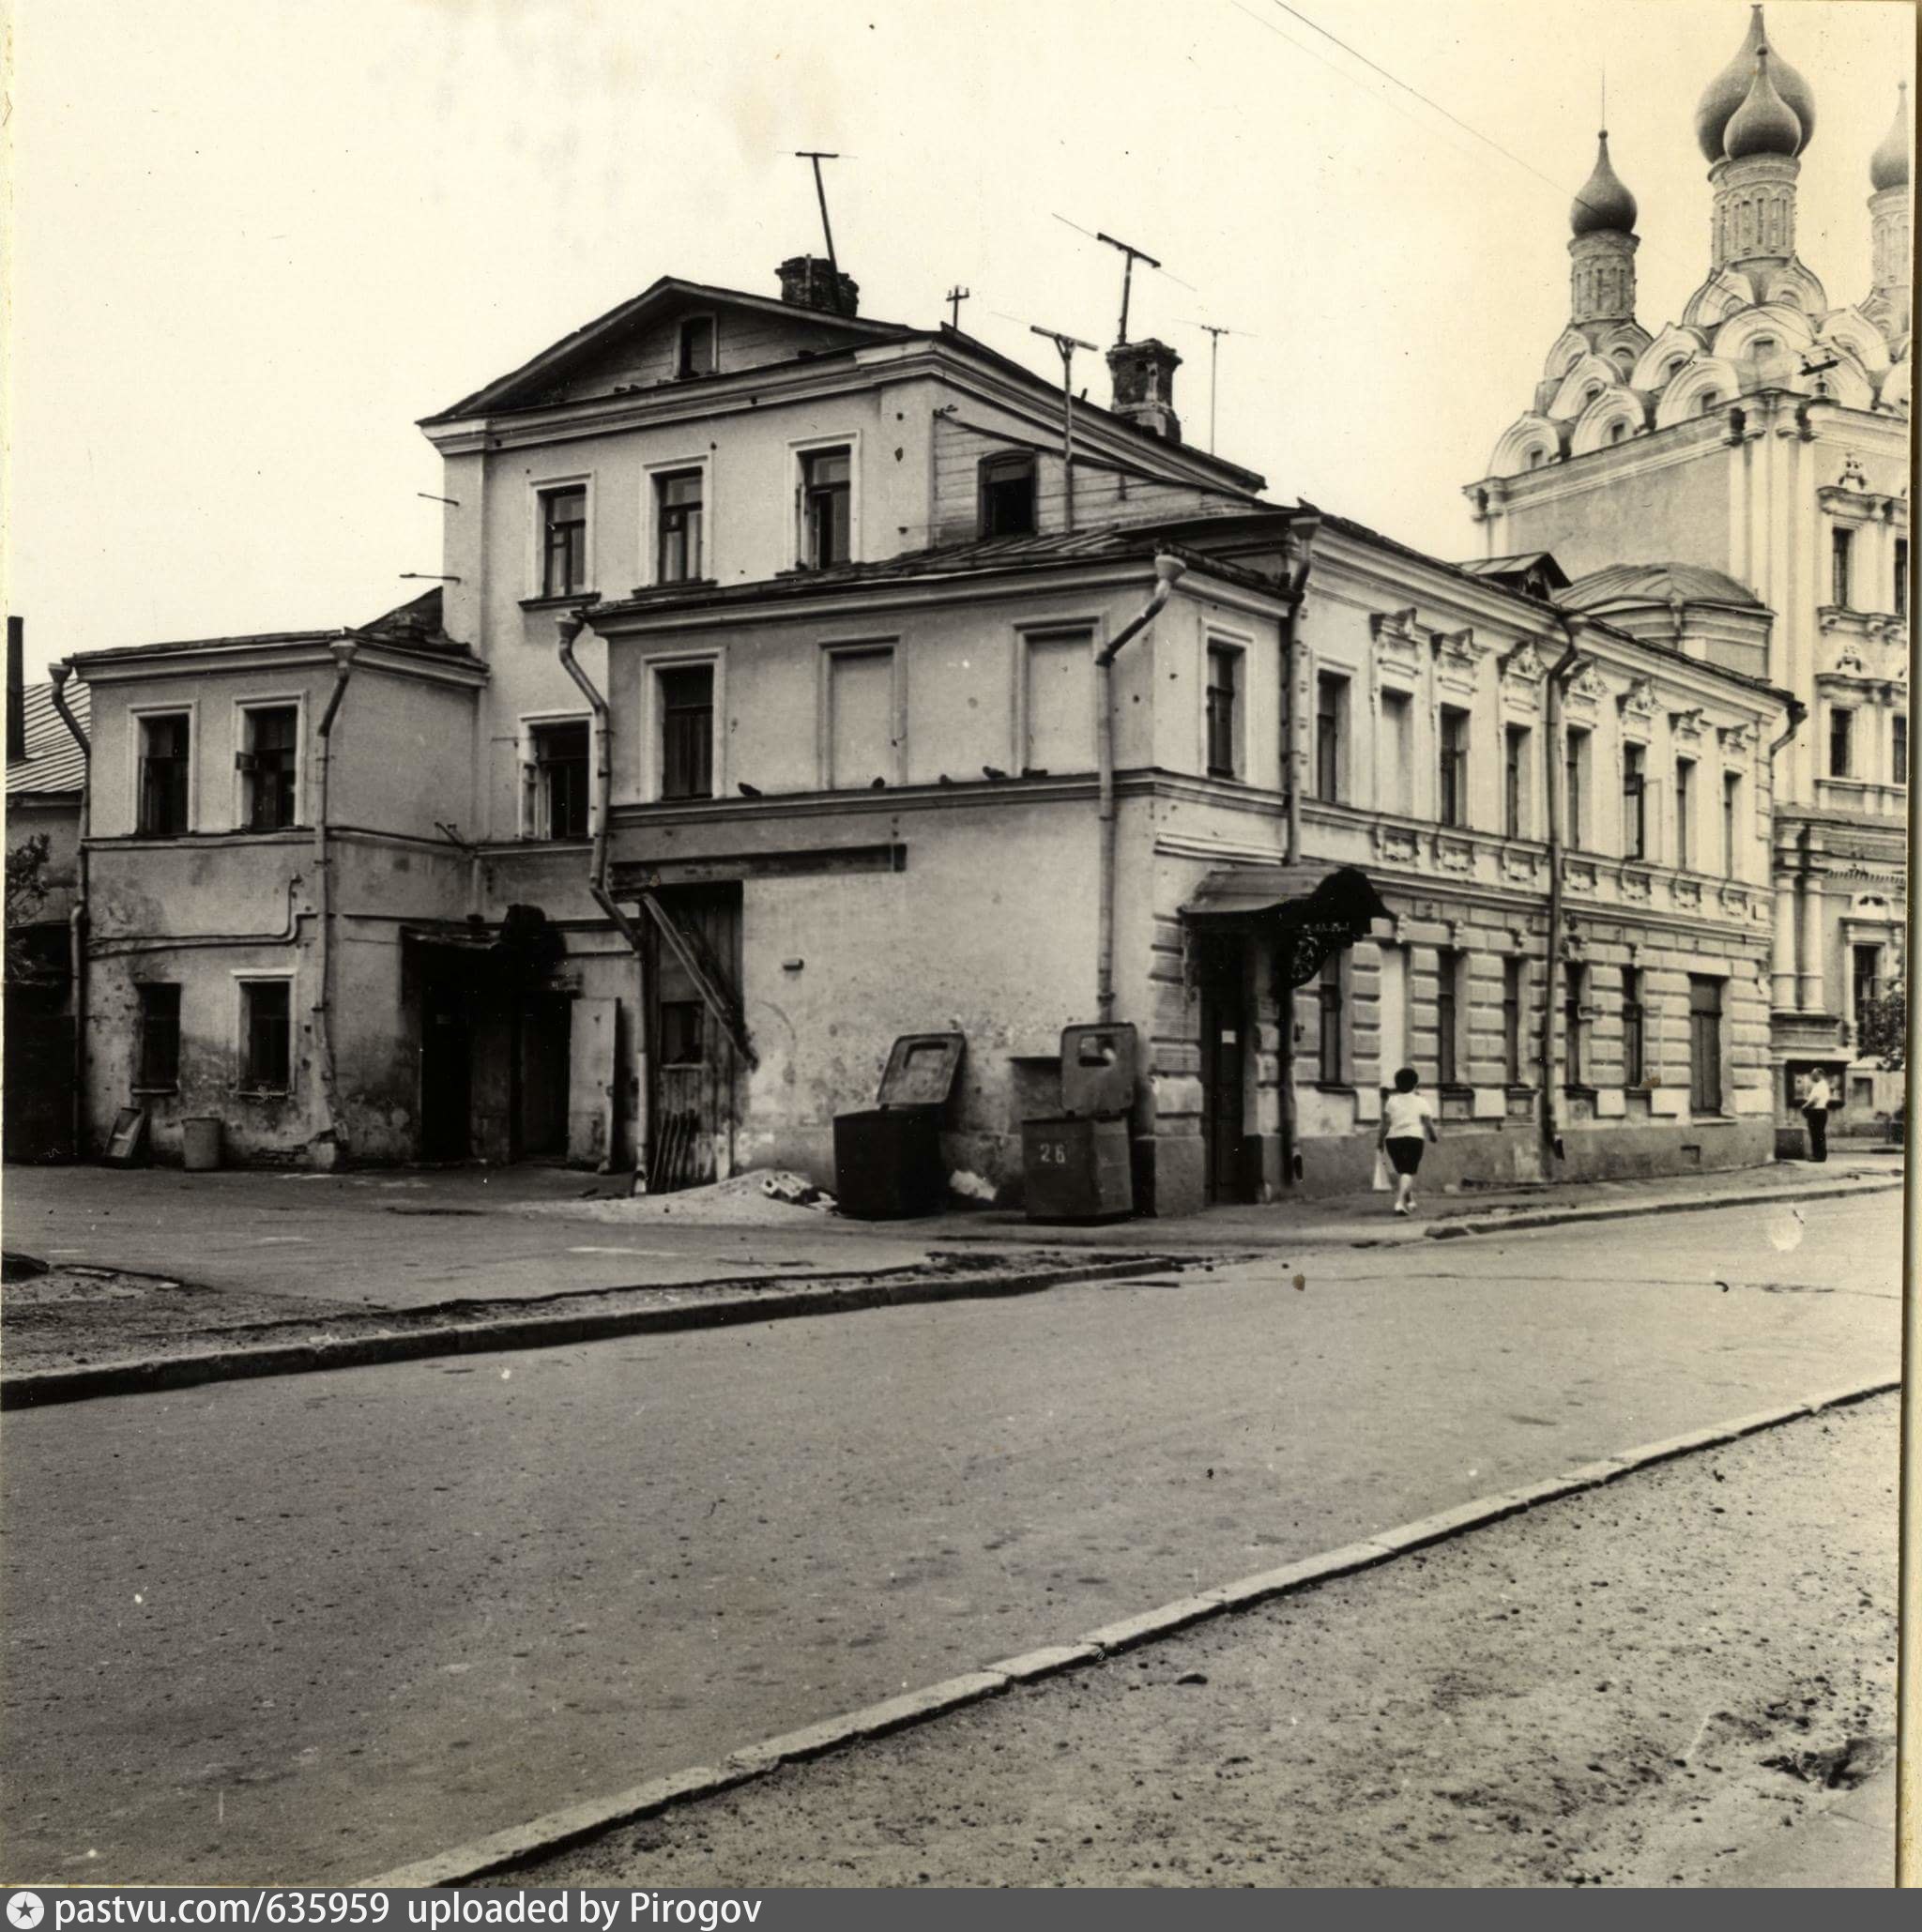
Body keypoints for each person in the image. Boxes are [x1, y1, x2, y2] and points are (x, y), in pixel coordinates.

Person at [1379, 1066, 1440, 1216]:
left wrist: (1380, 1141)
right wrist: (1433, 1135)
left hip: (1393, 1140)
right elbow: (1427, 1121)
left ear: (1397, 1084)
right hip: (1414, 1138)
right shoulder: (1421, 1101)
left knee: (1403, 1171)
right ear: (1415, 1084)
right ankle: (1400, 1202)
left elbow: (1385, 1123)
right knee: (1408, 1171)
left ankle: (1410, 1200)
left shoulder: (1391, 1101)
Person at [1801, 1069, 1833, 1164]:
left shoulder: (1821, 1085)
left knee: (1817, 1134)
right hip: (1818, 1111)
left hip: (1817, 1111)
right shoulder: (1820, 1085)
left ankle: (1819, 1156)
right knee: (1817, 1134)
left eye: (1813, 1075)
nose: (1812, 1077)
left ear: (1820, 1074)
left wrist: (1804, 1106)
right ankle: (1818, 1155)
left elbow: (1815, 1100)